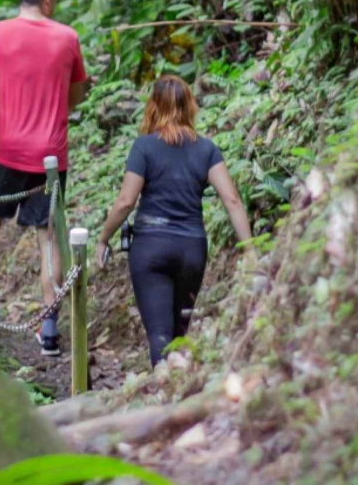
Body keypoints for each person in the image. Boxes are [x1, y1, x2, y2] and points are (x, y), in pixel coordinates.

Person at [0, 0, 89, 357]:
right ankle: (49, 330)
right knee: (47, 235)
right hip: (50, 154)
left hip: (6, 149)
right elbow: (77, 94)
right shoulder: (67, 38)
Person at [96, 75, 252, 367]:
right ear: (190, 106)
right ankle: (176, 395)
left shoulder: (143, 147)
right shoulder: (207, 149)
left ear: (153, 107)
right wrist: (250, 249)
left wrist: (104, 238)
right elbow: (232, 200)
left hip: (151, 249)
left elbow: (126, 201)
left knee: (159, 335)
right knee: (179, 333)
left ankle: (163, 398)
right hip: (191, 251)